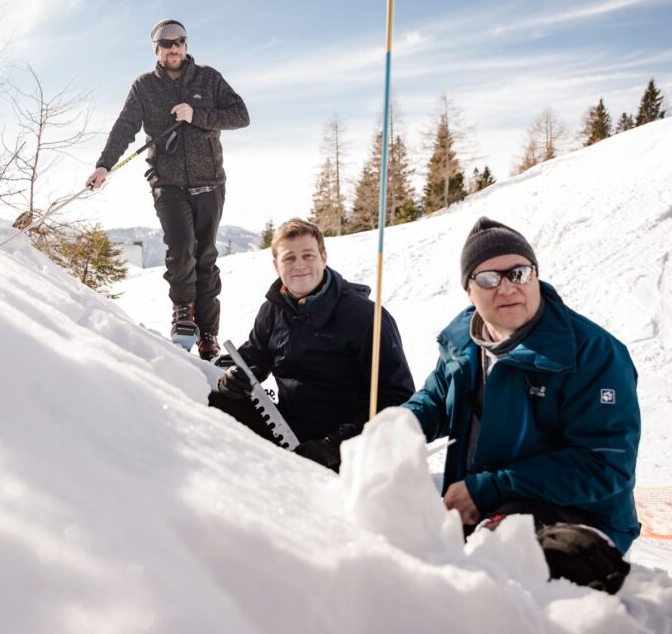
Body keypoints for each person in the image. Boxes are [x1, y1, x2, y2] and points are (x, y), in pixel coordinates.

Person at [402, 217, 640, 593]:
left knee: (506, 575)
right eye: (488, 278)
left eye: (518, 273)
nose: (507, 287)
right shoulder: (462, 344)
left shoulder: (592, 353)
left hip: (574, 518)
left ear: (536, 275)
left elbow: (604, 465)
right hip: (479, 507)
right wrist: (396, 429)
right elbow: (434, 399)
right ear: (469, 290)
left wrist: (488, 489)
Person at [86, 19, 249, 360]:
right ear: (156, 50)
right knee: (181, 247)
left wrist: (196, 114)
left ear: (186, 45)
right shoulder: (144, 87)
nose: (173, 48)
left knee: (205, 258)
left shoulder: (209, 78)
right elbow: (125, 127)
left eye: (179, 41)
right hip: (168, 183)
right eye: (166, 43)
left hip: (210, 183)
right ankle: (183, 314)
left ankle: (208, 334)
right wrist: (104, 165)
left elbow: (240, 115)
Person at [213, 218, 415, 471]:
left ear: (323, 257)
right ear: (276, 265)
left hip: (347, 449)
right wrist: (231, 375)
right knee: (213, 402)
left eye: (308, 255)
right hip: (288, 434)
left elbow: (398, 398)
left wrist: (335, 446)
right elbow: (253, 355)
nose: (299, 265)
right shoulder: (273, 310)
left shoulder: (366, 317)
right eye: (289, 258)